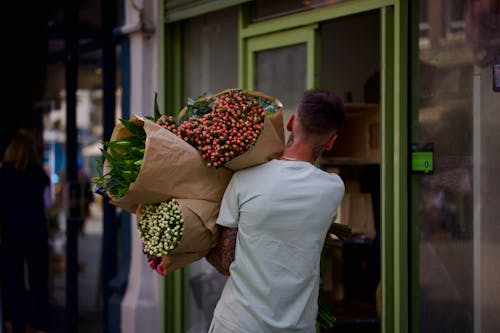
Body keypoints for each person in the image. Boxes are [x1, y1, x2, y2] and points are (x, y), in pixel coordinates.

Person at [206, 90, 345, 332]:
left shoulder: (244, 179)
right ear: (331, 141)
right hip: (298, 327)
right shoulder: (333, 189)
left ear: (291, 123)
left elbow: (225, 263)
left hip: (238, 324)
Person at [0, 129, 50, 333]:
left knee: (14, 282)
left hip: (11, 235)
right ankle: (38, 325)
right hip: (36, 233)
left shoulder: (3, 174)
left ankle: (17, 323)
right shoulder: (39, 174)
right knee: (39, 282)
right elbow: (48, 203)